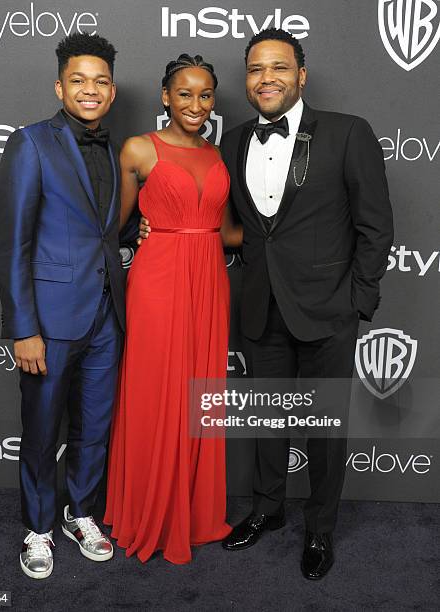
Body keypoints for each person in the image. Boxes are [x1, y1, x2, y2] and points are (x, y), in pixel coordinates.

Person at [141, 29, 393, 579]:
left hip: (329, 309)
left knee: (325, 430)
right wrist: (151, 226)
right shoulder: (231, 142)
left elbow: (375, 226)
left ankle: (320, 530)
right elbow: (208, 213)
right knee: (268, 418)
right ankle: (268, 510)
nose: (267, 78)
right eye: (255, 70)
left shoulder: (349, 133)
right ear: (247, 80)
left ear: (301, 75)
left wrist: (358, 301)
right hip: (260, 305)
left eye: (279, 67)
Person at [0, 32, 125, 579]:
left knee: (94, 427)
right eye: (78, 80)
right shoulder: (31, 143)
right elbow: (14, 241)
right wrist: (23, 328)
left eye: (99, 81)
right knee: (43, 429)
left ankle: (82, 514)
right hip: (48, 322)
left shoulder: (114, 150)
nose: (89, 90)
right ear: (59, 86)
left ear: (112, 91)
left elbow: (102, 232)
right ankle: (39, 528)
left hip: (106, 317)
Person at [103, 54, 236, 564]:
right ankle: (148, 514)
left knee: (200, 398)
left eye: (205, 95)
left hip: (210, 280)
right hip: (158, 281)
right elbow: (113, 224)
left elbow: (225, 233)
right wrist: (136, 228)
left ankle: (196, 512)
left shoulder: (218, 154)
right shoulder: (140, 148)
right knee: (156, 393)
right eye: (184, 93)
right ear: (165, 96)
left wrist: (292, 236)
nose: (196, 104)